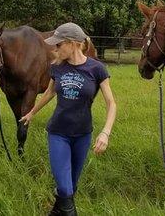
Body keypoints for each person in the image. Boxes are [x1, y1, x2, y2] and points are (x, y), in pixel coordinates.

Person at [19, 22, 117, 216]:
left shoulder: (97, 69)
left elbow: (111, 103)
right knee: (65, 189)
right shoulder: (57, 68)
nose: (54, 49)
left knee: (71, 186)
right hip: (58, 133)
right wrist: (31, 113)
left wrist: (105, 132)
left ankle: (56, 212)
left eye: (58, 45)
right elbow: (49, 94)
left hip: (83, 134)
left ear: (72, 43)